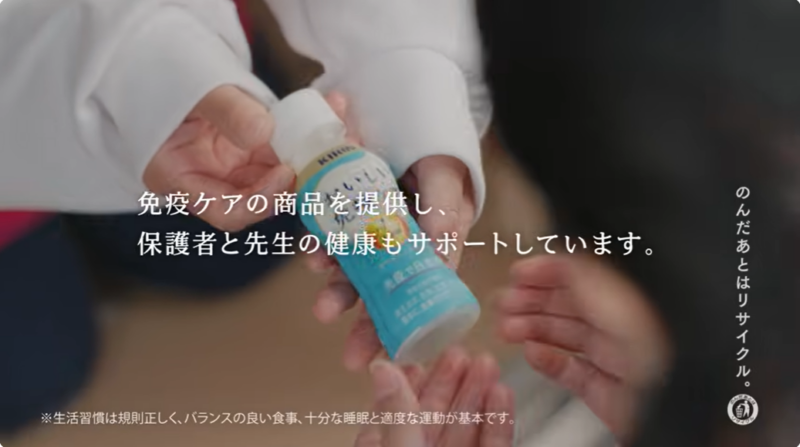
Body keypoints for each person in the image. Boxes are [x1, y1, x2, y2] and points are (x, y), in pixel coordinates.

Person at [0, 0, 490, 433]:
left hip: (195, 40)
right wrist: (128, 65)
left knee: (237, 248)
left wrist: (403, 80)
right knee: (34, 375)